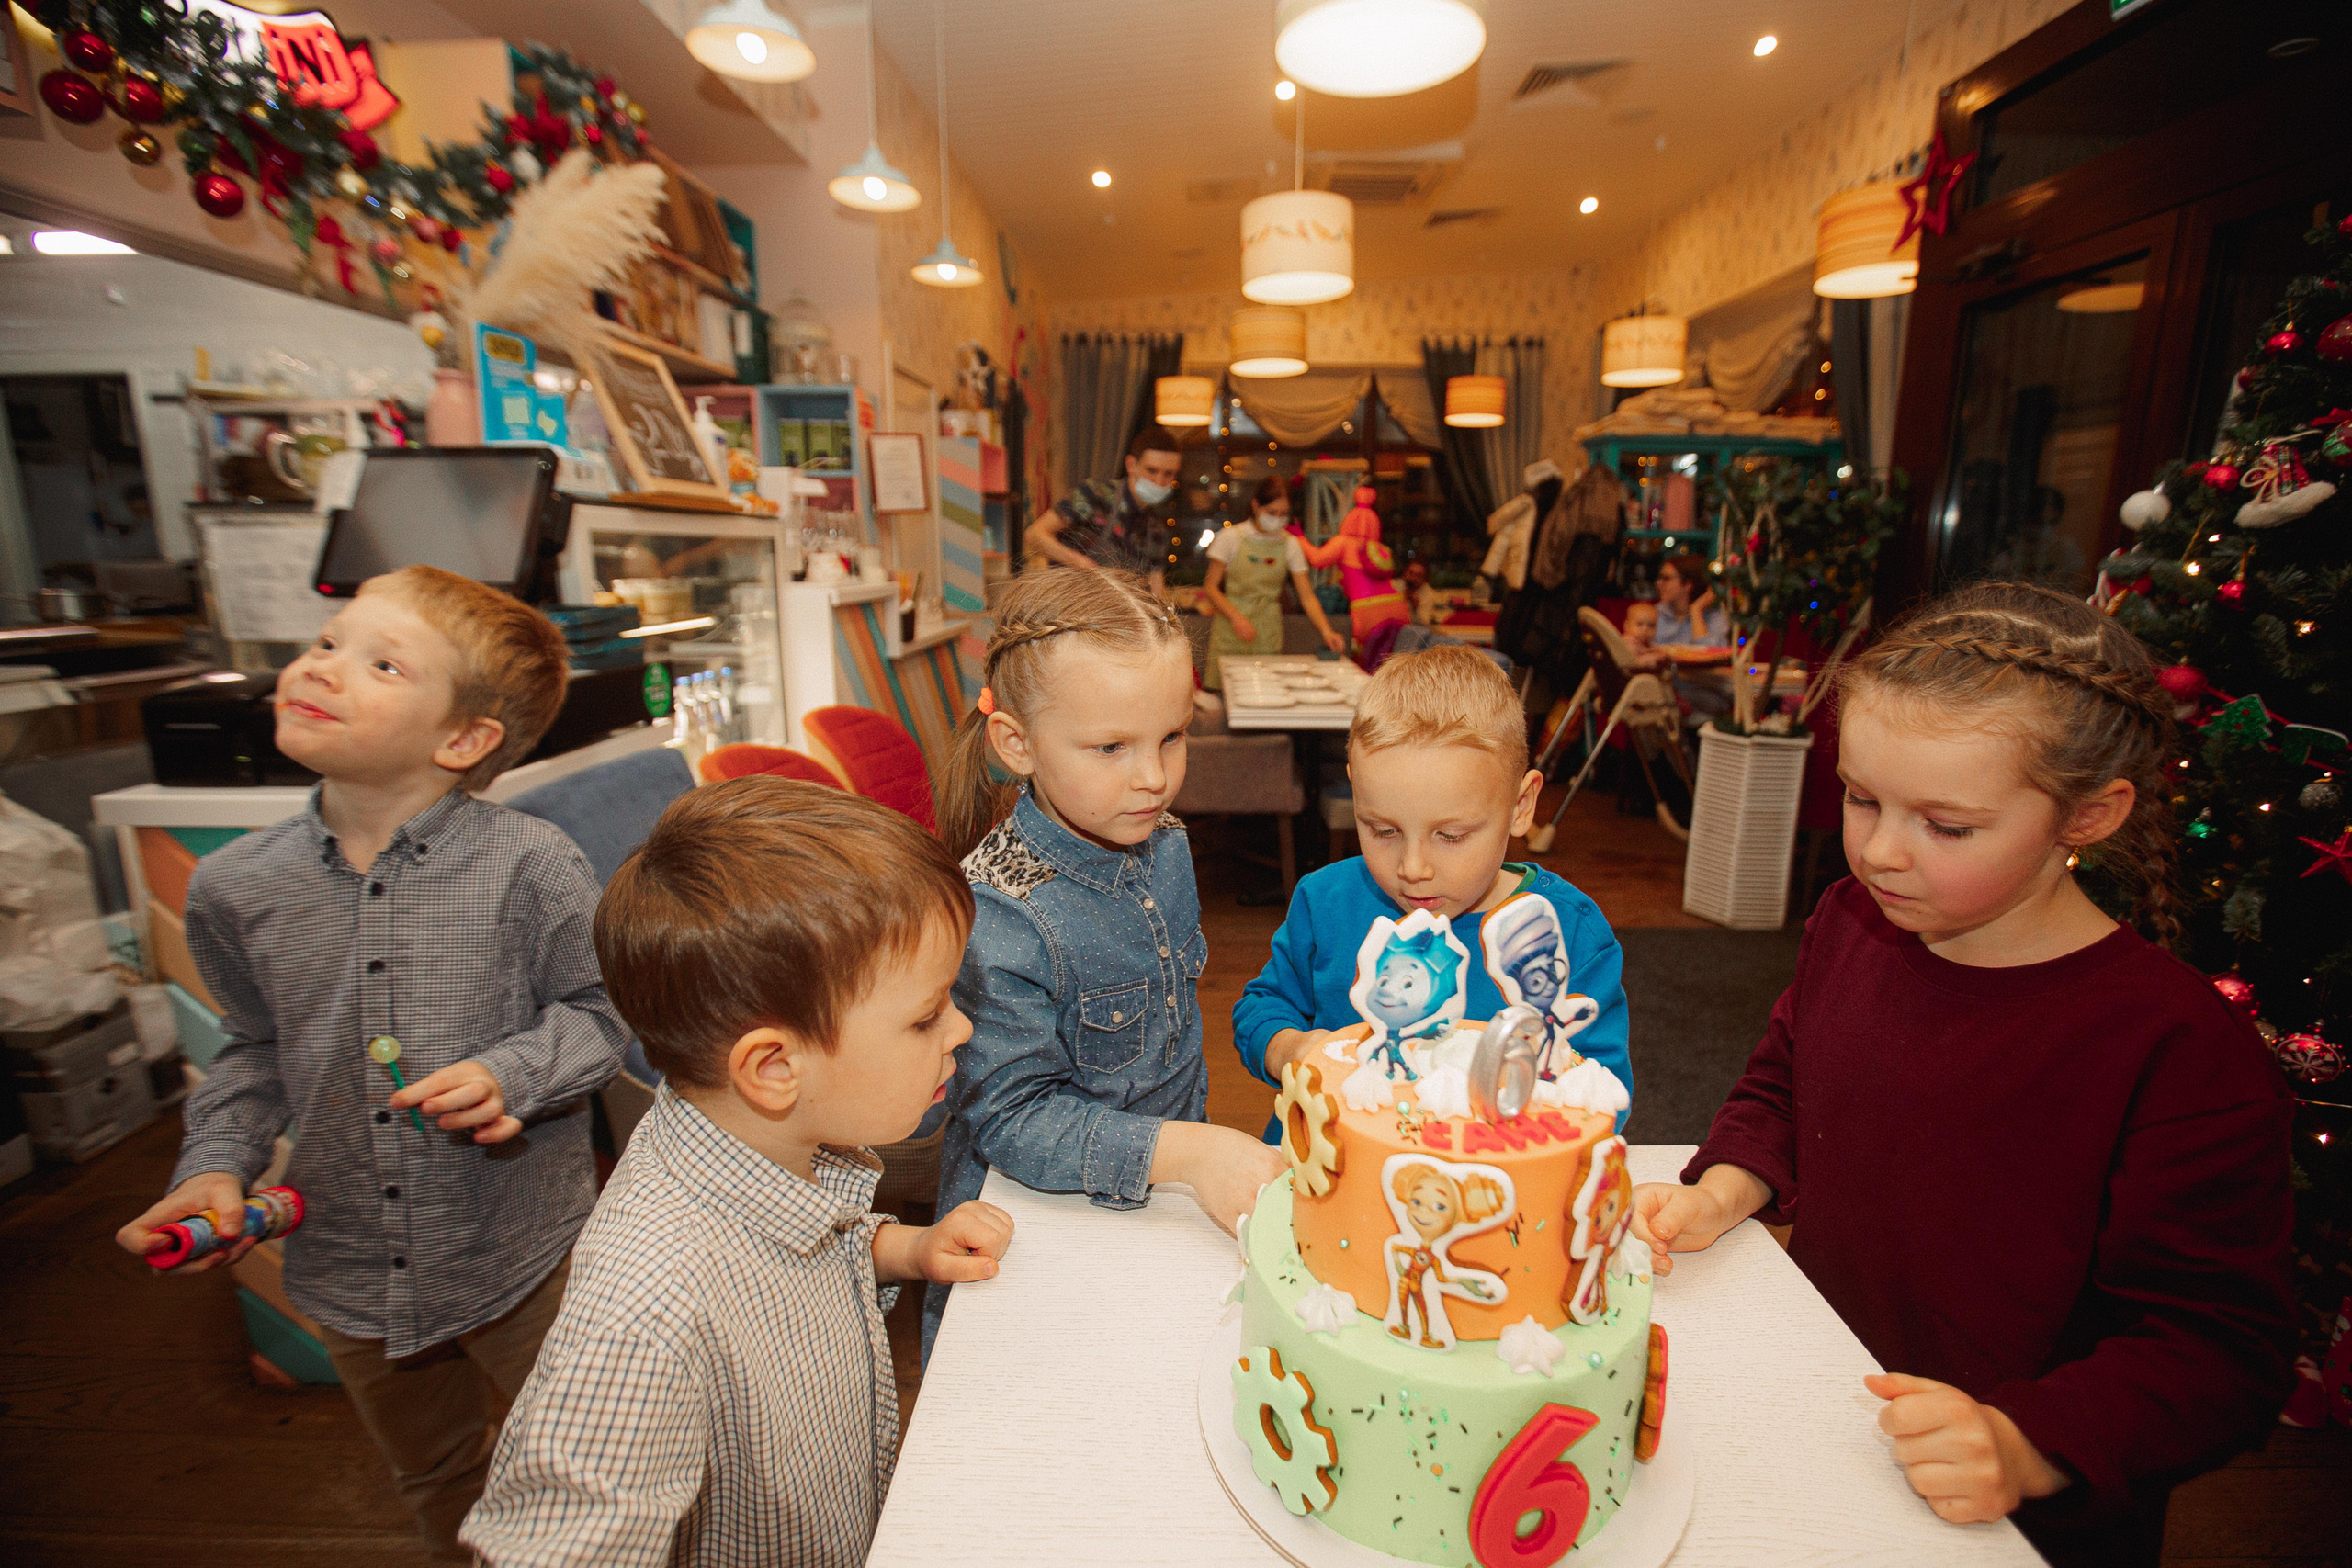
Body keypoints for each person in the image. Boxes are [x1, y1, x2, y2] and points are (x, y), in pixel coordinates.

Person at [1631, 583, 2296, 1567]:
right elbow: (1783, 1083)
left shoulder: (2177, 1048)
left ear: (2089, 814)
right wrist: (1728, 1186)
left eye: (1945, 825)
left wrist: (2026, 1445)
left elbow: (2222, 1350)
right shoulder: (1850, 927)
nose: (1880, 851)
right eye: (1861, 799)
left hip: (2004, 1515)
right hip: (1823, 1407)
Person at [114, 566, 628, 1565]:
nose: (324, 670)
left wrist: (513, 1074)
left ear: (464, 739)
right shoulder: (231, 885)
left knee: (588, 1472)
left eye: (382, 663)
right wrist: (212, 1167)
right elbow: (254, 1047)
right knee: (435, 1480)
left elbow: (598, 1015)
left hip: (523, 1255)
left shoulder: (533, 862)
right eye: (326, 643)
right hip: (347, 1261)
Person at [461, 780, 1014, 1567]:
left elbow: (789, 1262)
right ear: (773, 1066)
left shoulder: (762, 1141)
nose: (959, 1024)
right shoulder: (643, 1317)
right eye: (926, 1014)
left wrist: (905, 1249)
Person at [933, 568, 1286, 1355]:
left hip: (1159, 1198)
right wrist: (1189, 1152)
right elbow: (1014, 1119)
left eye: (1172, 735)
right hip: (1033, 1236)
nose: (1154, 776)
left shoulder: (1168, 843)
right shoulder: (997, 911)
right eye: (1111, 747)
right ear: (1016, 743)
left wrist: (1186, 1152)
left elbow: (1173, 1026)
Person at [1233, 644, 1631, 1134]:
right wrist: (1290, 1048)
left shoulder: (1569, 932)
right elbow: (1262, 1007)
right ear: (1356, 788)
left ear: (1521, 805)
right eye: (1383, 830)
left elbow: (1601, 1088)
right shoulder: (1325, 902)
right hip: (1330, 1170)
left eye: (1451, 836)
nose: (1413, 867)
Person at [1197, 474, 1346, 690]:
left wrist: (1326, 631)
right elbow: (1210, 588)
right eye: (1272, 512)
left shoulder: (1290, 544)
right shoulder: (1231, 537)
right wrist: (1236, 617)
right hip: (1230, 629)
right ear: (1256, 506)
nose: (1277, 518)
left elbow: (1307, 596)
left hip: (1267, 630)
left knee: (1265, 691)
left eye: (1283, 514)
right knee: (1226, 694)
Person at [1024, 425, 1183, 590]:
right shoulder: (1095, 495)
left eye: (1168, 474)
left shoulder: (1156, 528)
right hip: (1068, 604)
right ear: (1131, 465)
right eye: (1152, 470)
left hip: (1114, 611)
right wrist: (1079, 563)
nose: (1159, 482)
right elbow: (1035, 534)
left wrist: (1165, 614)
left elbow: (1156, 586)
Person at [1296, 483, 1408, 644]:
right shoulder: (1377, 548)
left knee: (1366, 660)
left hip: (1367, 611)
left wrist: (1299, 537)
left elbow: (1317, 560)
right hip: (1398, 608)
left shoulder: (1343, 543)